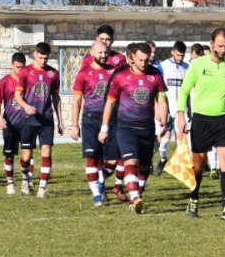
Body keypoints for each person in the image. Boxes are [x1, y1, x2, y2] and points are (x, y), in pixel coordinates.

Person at [177, 27, 225, 221]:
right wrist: (181, 115)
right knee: (198, 166)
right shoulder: (198, 65)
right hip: (201, 120)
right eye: (220, 46)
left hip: (223, 120)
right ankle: (194, 198)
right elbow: (184, 90)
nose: (223, 50)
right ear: (211, 44)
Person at [99, 42, 169, 213]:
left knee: (145, 167)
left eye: (146, 60)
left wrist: (164, 122)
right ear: (131, 59)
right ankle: (135, 197)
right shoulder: (120, 76)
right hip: (126, 127)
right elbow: (110, 102)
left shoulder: (155, 74)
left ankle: (135, 200)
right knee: (131, 161)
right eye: (140, 60)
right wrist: (104, 127)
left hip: (147, 128)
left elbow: (161, 99)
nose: (144, 63)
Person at [14, 41, 63, 198]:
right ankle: (25, 179)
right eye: (41, 57)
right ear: (35, 54)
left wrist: (60, 120)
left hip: (46, 120)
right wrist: (25, 106)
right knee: (26, 156)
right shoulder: (25, 72)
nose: (43, 61)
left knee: (46, 152)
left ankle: (42, 188)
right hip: (28, 119)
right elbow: (17, 95)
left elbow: (56, 97)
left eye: (46, 58)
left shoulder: (53, 74)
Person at [71, 42, 115, 206]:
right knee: (92, 157)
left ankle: (100, 179)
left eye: (106, 52)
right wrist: (74, 125)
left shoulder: (113, 71)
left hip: (111, 120)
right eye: (100, 52)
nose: (104, 55)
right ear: (91, 52)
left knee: (113, 160)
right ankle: (97, 194)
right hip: (90, 119)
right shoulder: (83, 73)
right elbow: (76, 100)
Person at [0, 52, 27, 195]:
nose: (20, 70)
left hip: (26, 123)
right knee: (9, 154)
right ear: (12, 65)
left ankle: (26, 180)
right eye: (18, 67)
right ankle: (10, 183)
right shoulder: (5, 81)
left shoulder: (28, 80)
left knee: (27, 155)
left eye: (22, 67)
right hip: (10, 123)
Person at [156, 40, 189, 174]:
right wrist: (158, 108)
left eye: (182, 55)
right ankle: (163, 159)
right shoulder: (162, 67)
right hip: (167, 109)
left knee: (181, 139)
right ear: (172, 52)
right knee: (164, 141)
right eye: (178, 55)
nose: (180, 58)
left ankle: (180, 165)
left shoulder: (188, 67)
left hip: (182, 109)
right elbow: (157, 90)